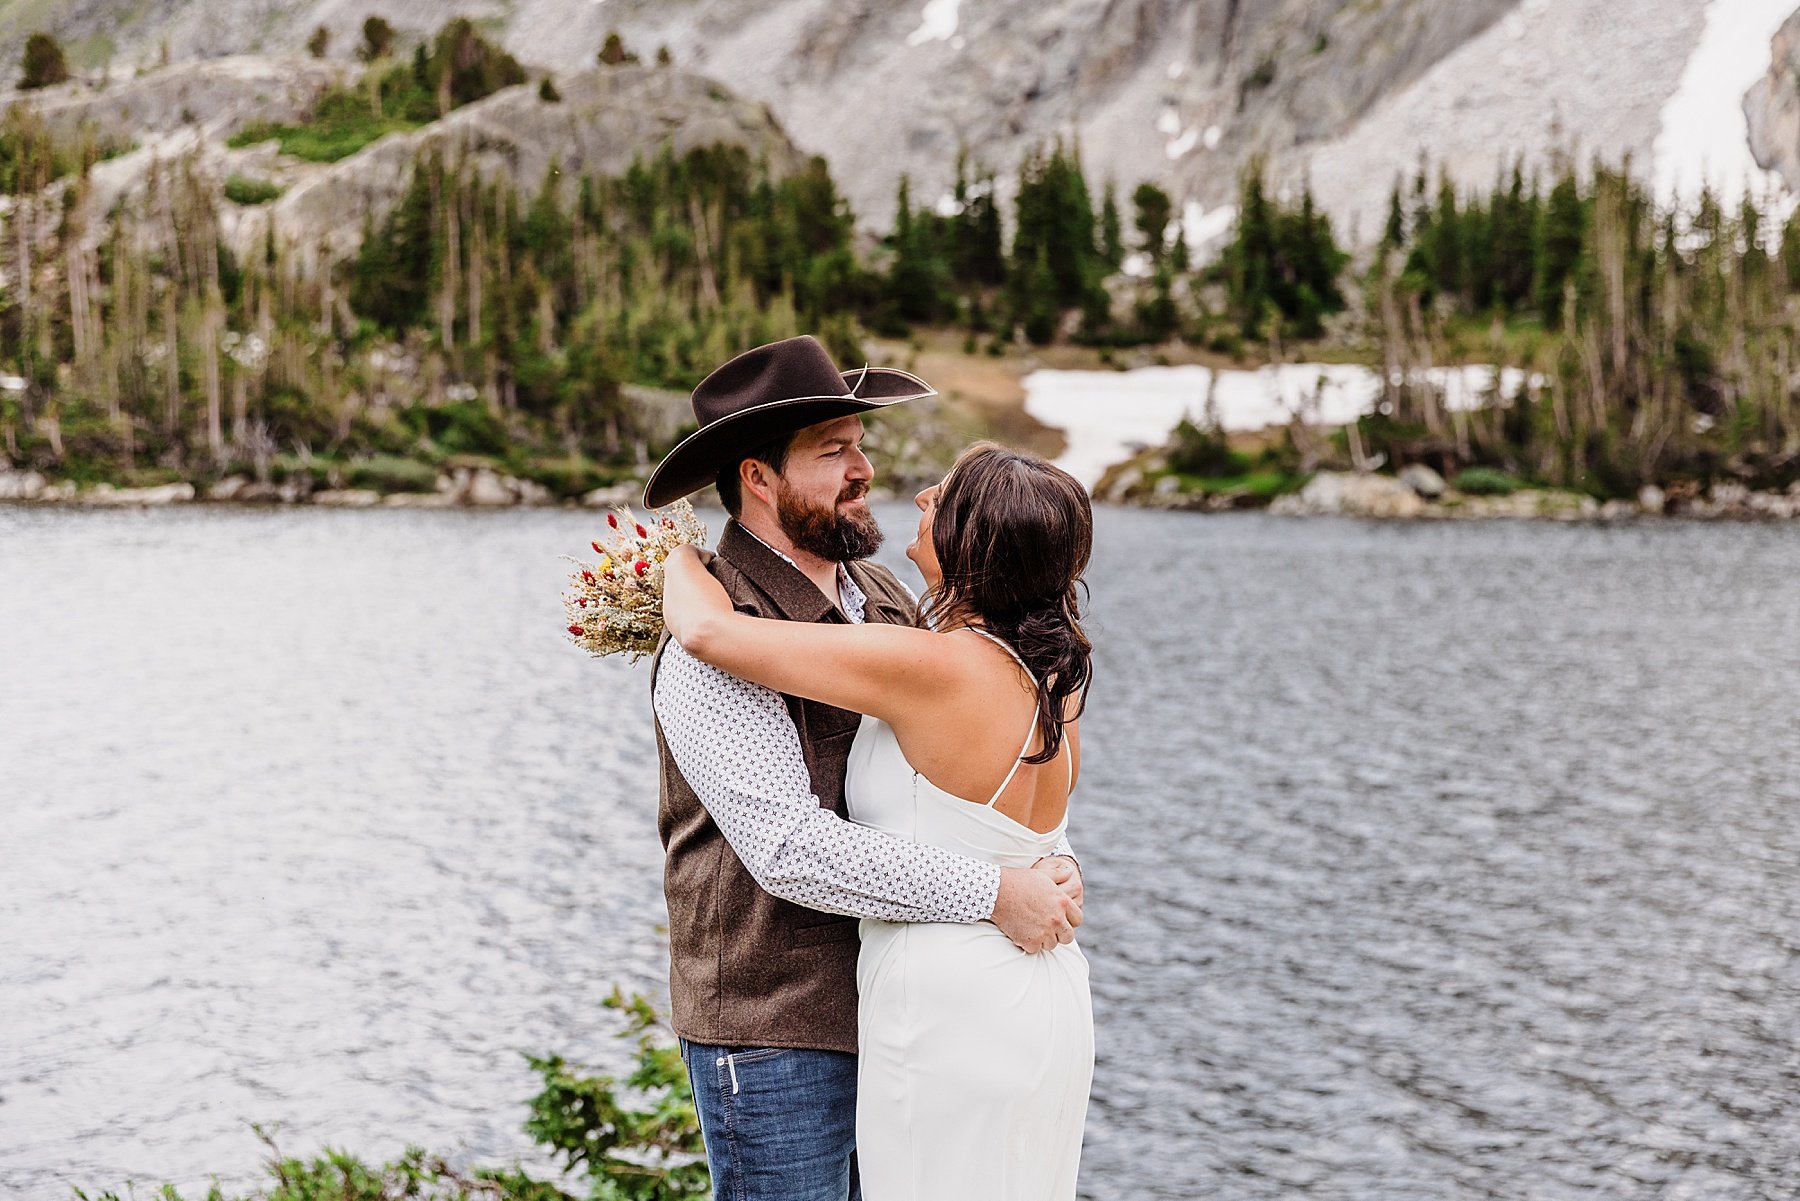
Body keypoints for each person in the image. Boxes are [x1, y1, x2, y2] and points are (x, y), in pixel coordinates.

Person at [641, 335, 1085, 1201]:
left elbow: (967, 764)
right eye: (833, 450)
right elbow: (789, 850)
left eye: (858, 444)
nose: (864, 468)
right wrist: (1001, 893)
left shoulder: (885, 599)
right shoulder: (712, 636)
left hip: (915, 1014)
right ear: (757, 478)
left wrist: (1043, 861)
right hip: (781, 1028)